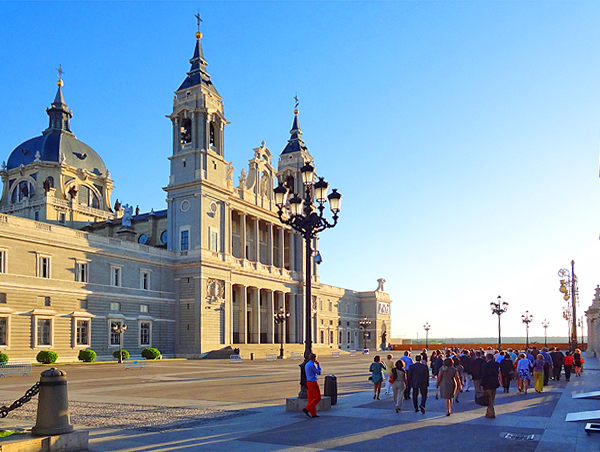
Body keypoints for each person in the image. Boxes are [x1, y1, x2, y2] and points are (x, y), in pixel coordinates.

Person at [481, 352, 501, 419]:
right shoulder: (496, 364)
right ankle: (488, 412)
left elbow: (484, 376)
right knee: (492, 397)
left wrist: (482, 384)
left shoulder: (485, 365)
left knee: (489, 399)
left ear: (487, 358)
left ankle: (492, 413)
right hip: (494, 383)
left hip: (487, 384)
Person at [302, 353, 321, 418]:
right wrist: (318, 365)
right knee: (318, 397)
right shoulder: (312, 365)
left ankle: (313, 413)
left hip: (308, 382)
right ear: (314, 358)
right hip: (313, 382)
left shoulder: (307, 364)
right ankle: (306, 409)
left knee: (311, 399)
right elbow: (318, 372)